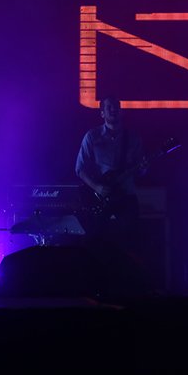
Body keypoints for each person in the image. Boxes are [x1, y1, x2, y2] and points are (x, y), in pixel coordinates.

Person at [75, 96, 149, 298]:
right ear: (102, 113)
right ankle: (95, 287)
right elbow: (80, 169)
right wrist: (97, 187)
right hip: (101, 198)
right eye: (109, 107)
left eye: (116, 107)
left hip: (126, 196)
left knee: (131, 242)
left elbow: (141, 171)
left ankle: (132, 289)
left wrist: (143, 168)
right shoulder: (92, 136)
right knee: (95, 242)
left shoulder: (133, 138)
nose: (113, 110)